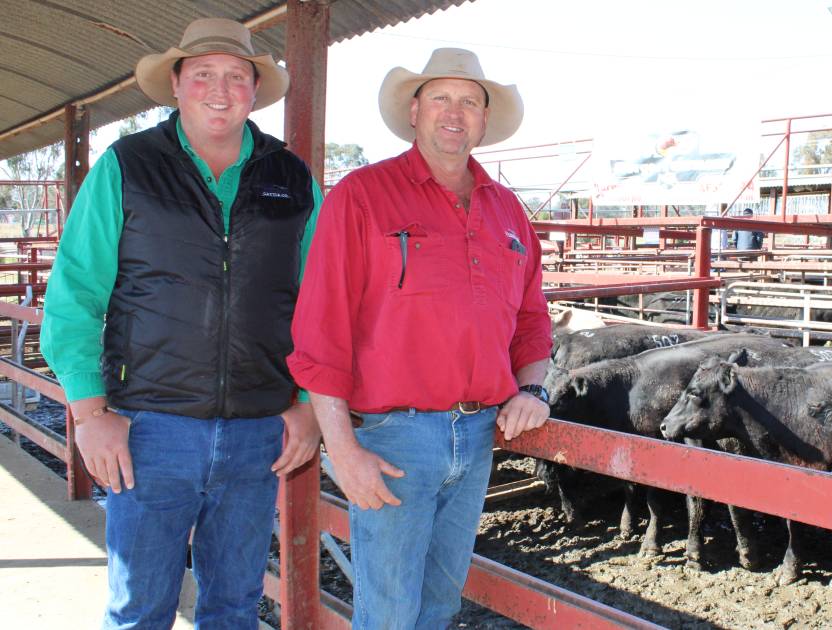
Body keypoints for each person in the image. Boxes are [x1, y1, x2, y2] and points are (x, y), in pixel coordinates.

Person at [40, 17, 322, 628]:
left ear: (254, 89)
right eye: (202, 76)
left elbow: (320, 302)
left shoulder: (291, 178)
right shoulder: (127, 166)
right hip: (147, 430)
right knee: (140, 607)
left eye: (235, 77)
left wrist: (305, 401)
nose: (219, 90)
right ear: (175, 85)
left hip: (257, 432)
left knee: (235, 605)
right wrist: (90, 414)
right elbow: (75, 296)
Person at [287, 48, 553, 629]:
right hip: (396, 438)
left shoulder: (508, 212)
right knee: (388, 611)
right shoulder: (362, 195)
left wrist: (534, 390)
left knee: (439, 604)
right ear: (414, 110)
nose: (454, 113)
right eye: (440, 98)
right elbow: (320, 330)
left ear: (484, 120)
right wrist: (343, 450)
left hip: (481, 430)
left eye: (469, 102)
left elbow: (532, 317)